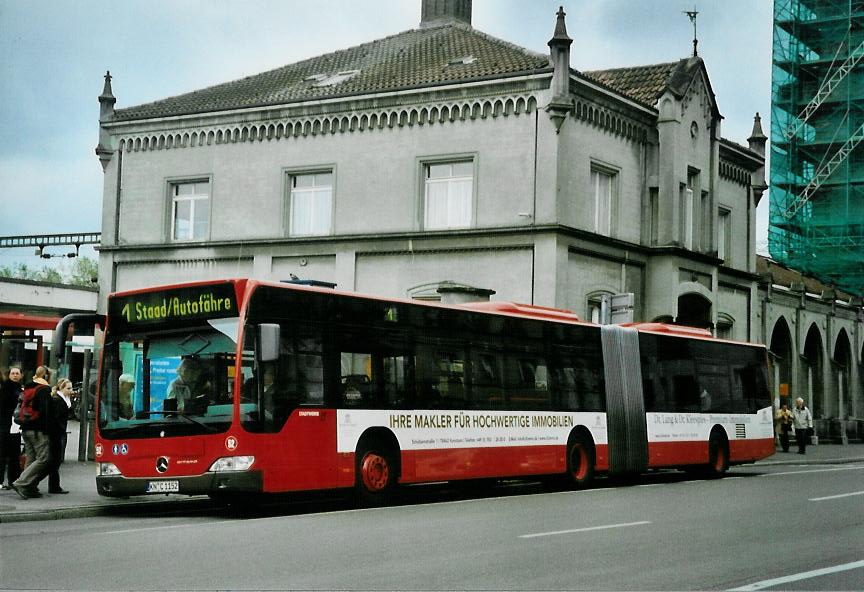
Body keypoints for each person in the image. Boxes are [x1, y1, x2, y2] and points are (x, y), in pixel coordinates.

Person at [11, 366, 52, 499]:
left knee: (31, 458)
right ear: (46, 376)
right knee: (43, 459)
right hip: (38, 430)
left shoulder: (28, 388)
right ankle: (21, 482)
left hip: (25, 427)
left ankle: (30, 487)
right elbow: (46, 412)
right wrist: (47, 430)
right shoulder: (44, 390)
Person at [1, 366, 25, 489]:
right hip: (5, 424)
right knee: (3, 453)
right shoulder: (5, 387)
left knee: (15, 454)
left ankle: (14, 479)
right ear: (9, 375)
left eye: (17, 373)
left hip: (15, 425)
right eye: (13, 373)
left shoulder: (21, 388)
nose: (15, 375)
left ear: (21, 375)